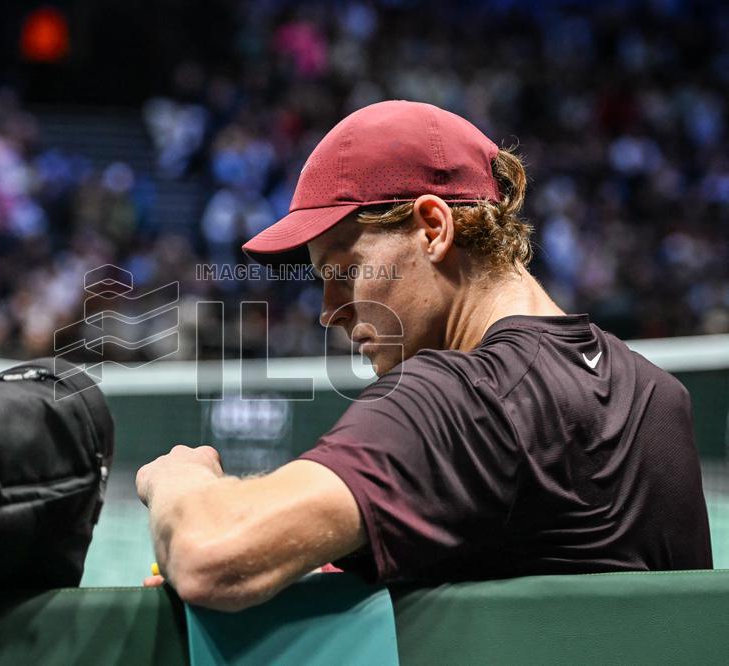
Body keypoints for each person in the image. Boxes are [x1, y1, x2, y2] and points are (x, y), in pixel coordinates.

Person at [135, 101, 712, 612]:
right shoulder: (660, 396)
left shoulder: (456, 397)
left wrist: (180, 480)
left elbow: (210, 552)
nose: (328, 310)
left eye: (344, 271)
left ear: (433, 228)